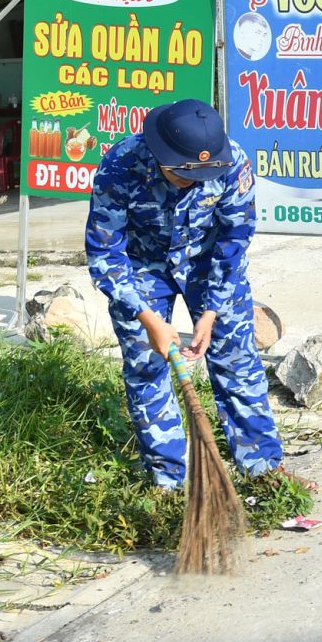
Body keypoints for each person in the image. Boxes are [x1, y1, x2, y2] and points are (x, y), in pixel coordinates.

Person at [85, 99, 285, 490]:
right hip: (144, 266)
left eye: (201, 174)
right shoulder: (120, 165)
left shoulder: (234, 164)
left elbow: (234, 238)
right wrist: (147, 318)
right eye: (183, 174)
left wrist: (211, 311)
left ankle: (261, 465)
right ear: (161, 155)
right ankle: (170, 479)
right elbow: (105, 251)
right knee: (146, 365)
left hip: (206, 262)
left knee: (236, 358)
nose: (193, 181)